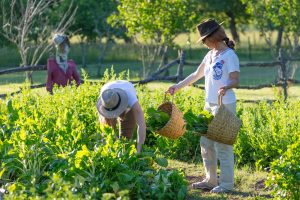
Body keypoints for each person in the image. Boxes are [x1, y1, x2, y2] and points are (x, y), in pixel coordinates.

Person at [167, 19, 240, 193]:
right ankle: (210, 179)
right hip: (209, 105)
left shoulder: (230, 55)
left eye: (205, 40)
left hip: (225, 105)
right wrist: (177, 87)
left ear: (213, 37)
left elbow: (235, 80)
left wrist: (226, 86)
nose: (204, 43)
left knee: (222, 145)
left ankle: (227, 184)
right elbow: (196, 74)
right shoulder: (210, 55)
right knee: (206, 143)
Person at [96, 80, 146, 154]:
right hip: (108, 97)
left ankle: (123, 153)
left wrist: (139, 150)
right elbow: (105, 131)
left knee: (126, 135)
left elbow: (142, 125)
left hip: (126, 98)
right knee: (108, 132)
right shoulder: (105, 99)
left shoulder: (130, 98)